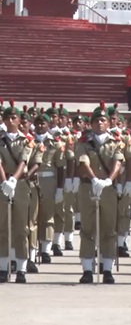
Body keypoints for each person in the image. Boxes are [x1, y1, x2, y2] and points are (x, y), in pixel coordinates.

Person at [74, 102, 125, 284]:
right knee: (87, 229)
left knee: (109, 229)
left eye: (103, 120)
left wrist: (108, 180)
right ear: (91, 124)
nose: (100, 124)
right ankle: (87, 269)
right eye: (96, 121)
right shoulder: (83, 142)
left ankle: (107, 269)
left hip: (107, 188)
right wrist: (94, 179)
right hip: (89, 186)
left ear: (109, 123)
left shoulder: (117, 141)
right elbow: (83, 162)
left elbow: (118, 162)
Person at [0, 101, 35, 283]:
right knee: (3, 227)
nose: (11, 120)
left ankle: (21, 267)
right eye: (8, 118)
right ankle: (2, 266)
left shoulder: (27, 140)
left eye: (14, 117)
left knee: (21, 227)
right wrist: (5, 182)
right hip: (2, 184)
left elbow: (24, 160)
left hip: (20, 185)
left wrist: (13, 179)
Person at [29, 111, 66, 265]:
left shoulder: (56, 143)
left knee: (48, 216)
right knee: (32, 217)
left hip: (50, 180)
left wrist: (60, 188)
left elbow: (61, 168)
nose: (40, 126)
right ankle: (32, 250)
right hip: (32, 181)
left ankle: (46, 249)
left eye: (43, 123)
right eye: (37, 123)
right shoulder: (29, 141)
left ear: (48, 125)